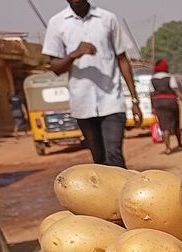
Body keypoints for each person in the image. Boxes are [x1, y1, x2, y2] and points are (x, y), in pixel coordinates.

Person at [42, 0, 142, 167]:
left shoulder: (107, 19)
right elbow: (55, 67)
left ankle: (121, 184)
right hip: (82, 104)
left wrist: (134, 100)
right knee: (99, 159)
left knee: (114, 155)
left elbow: (122, 59)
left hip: (112, 100)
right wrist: (74, 54)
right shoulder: (57, 23)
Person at [151, 59, 182, 154]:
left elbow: (152, 94)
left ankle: (168, 148)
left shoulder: (153, 79)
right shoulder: (170, 77)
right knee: (176, 123)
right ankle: (180, 144)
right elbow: (175, 89)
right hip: (171, 102)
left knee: (164, 126)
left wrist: (152, 107)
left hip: (158, 103)